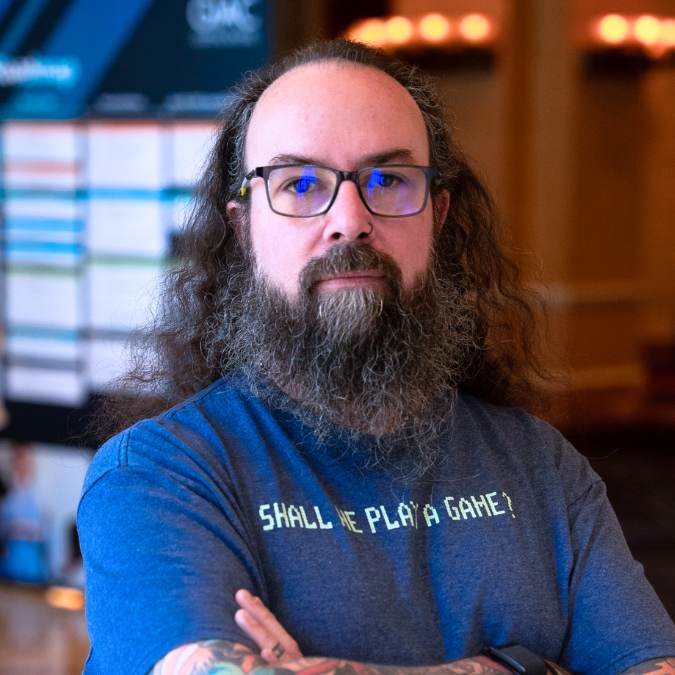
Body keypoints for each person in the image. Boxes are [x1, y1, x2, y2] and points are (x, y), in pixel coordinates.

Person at [77, 40, 675, 675]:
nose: (349, 220)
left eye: (387, 181)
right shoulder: (157, 474)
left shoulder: (540, 464)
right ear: (244, 228)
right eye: (299, 184)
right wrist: (531, 668)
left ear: (438, 216)